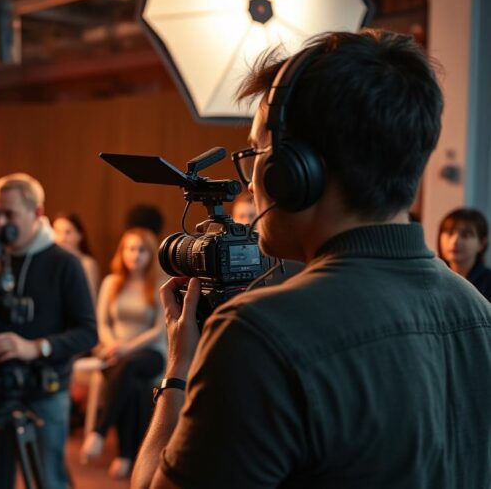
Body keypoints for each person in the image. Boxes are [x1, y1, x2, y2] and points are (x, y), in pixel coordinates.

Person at [133, 30, 491, 488]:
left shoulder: (259, 333)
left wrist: (178, 371)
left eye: (258, 153)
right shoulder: (479, 313)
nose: (249, 182)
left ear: (295, 170)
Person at [0, 173, 97, 489]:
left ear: (37, 213)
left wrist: (35, 347)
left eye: (9, 214)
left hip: (45, 391)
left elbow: (88, 333)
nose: (1, 222)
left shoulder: (65, 263)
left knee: (48, 480)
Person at [80, 228, 165, 479]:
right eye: (130, 249)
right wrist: (113, 345)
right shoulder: (111, 282)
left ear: (150, 254)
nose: (135, 255)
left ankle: (100, 431)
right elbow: (102, 323)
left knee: (129, 368)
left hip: (150, 353)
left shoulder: (159, 284)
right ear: (122, 252)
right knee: (135, 384)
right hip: (113, 352)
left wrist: (127, 348)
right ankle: (129, 455)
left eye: (141, 250)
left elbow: (159, 329)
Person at [438, 207, 491, 300]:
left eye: (465, 235)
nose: (454, 241)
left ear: (482, 244)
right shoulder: (432, 277)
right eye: (449, 233)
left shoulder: (488, 282)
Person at [53, 212, 101, 302]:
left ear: (79, 235)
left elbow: (90, 300)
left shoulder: (87, 264)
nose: (62, 238)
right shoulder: (49, 262)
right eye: (57, 231)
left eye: (68, 232)